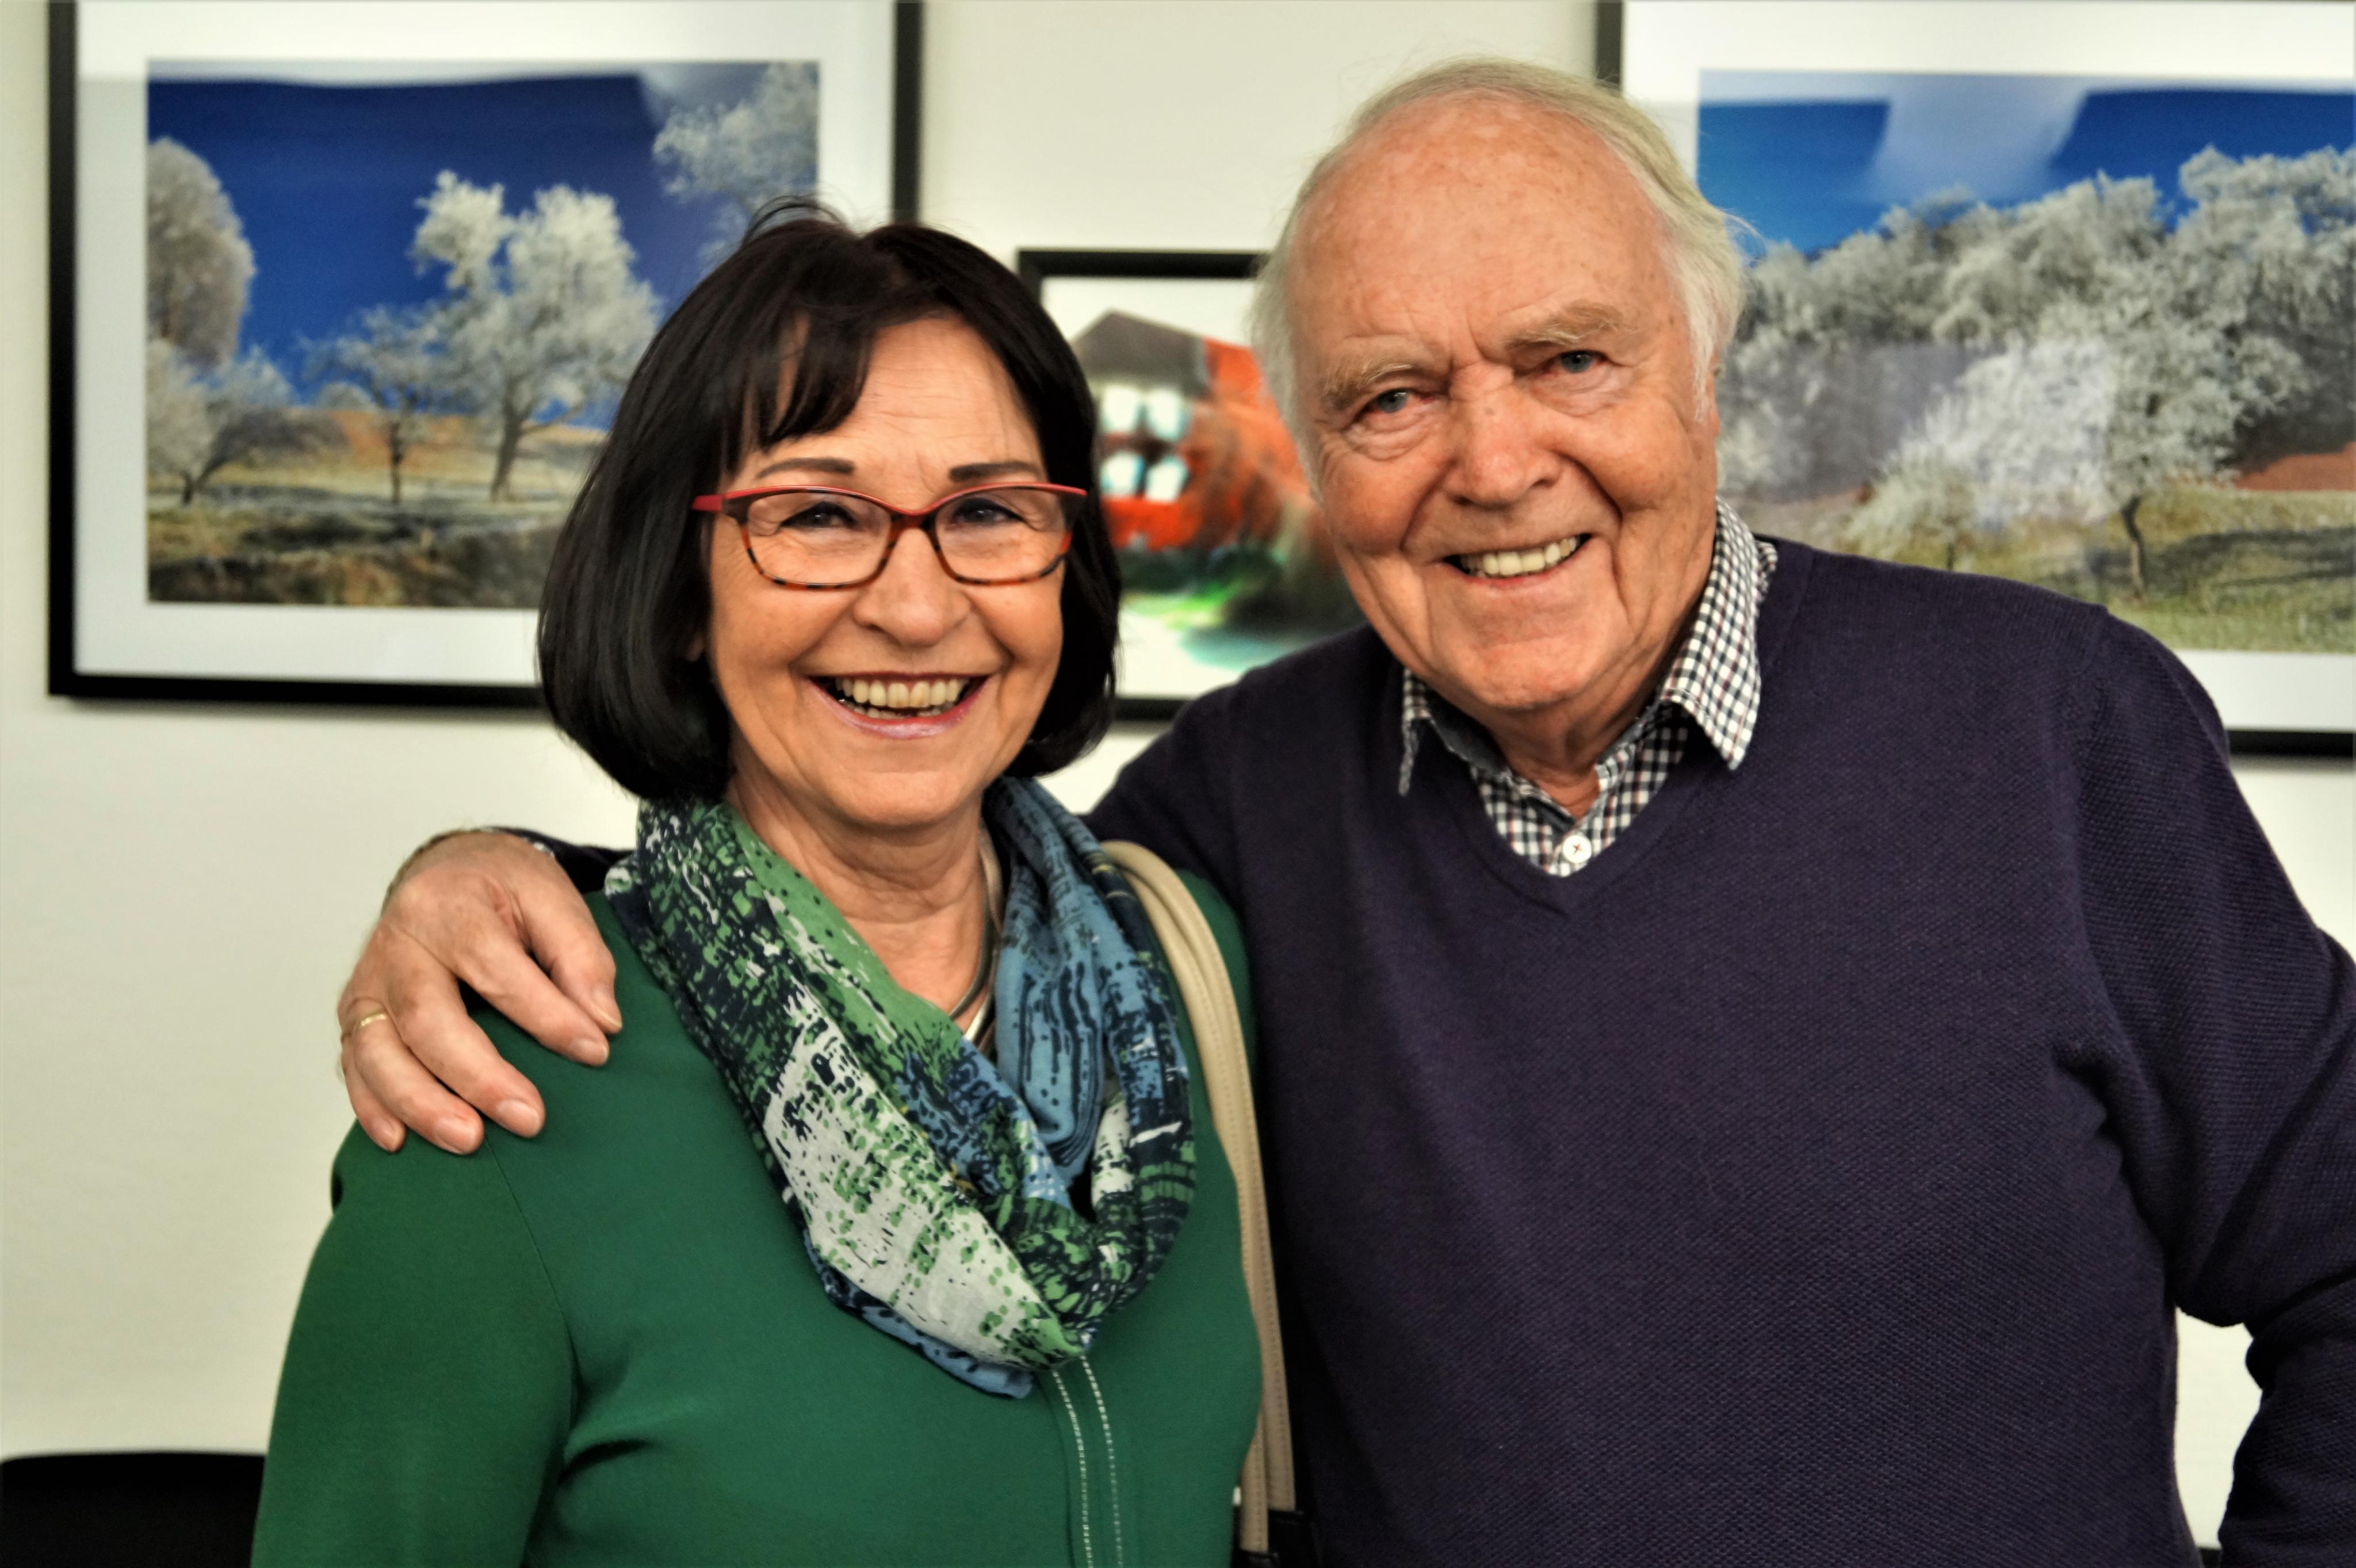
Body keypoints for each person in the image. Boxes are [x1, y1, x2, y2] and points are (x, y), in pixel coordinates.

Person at [328, 62, 2356, 1567]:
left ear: (1706, 376)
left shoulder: (2053, 734)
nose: (1494, 459)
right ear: (1310, 451)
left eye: (1568, 358)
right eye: (1392, 395)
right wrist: (502, 880)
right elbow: (878, 864)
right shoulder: (1232, 827)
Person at [255, 208, 1264, 1567]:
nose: (917, 608)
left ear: (1061, 567)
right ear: (682, 593)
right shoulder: (498, 1097)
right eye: (819, 516)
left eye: (984, 512)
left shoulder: (1183, 988)